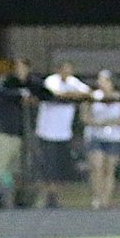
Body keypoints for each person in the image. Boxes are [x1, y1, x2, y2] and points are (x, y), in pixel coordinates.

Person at [35, 60, 90, 207]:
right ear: (58, 70)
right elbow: (55, 94)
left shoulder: (73, 81)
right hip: (47, 132)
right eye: (64, 69)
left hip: (63, 133)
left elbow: (87, 93)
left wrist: (71, 94)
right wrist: (72, 95)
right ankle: (47, 195)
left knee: (59, 166)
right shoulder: (51, 80)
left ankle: (55, 195)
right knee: (48, 166)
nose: (67, 72)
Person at [0, 58, 37, 208]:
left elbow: (45, 93)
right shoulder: (7, 82)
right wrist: (19, 94)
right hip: (4, 132)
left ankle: (17, 200)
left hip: (22, 133)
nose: (20, 70)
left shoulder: (31, 83)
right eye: (18, 67)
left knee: (18, 169)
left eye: (23, 67)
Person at [81, 69, 120, 209]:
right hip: (95, 136)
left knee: (109, 168)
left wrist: (111, 123)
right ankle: (97, 197)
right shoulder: (92, 97)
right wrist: (97, 123)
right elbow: (85, 116)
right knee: (97, 166)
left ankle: (106, 199)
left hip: (114, 137)